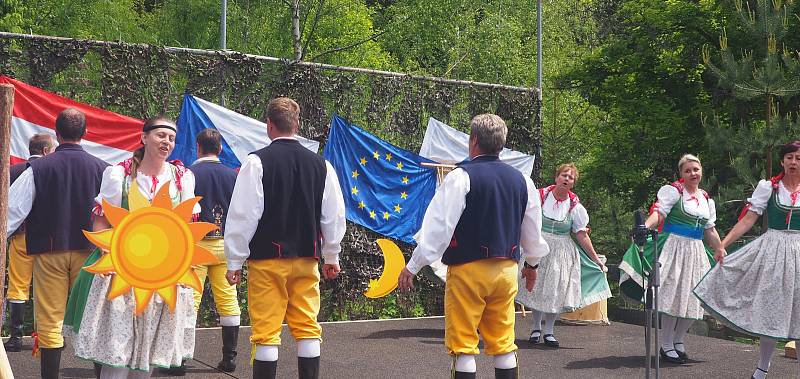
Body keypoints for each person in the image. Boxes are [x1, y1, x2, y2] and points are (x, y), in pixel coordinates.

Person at [398, 113, 550, 379]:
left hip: (468, 270)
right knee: (503, 343)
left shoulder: (460, 177)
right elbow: (533, 233)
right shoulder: (523, 181)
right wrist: (533, 265)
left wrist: (413, 266)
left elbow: (438, 230)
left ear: (474, 140)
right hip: (506, 271)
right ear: (501, 143)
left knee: (464, 346)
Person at [68, 116, 200, 378]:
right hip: (123, 270)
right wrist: (108, 254)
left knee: (149, 352)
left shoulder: (183, 177)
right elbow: (102, 220)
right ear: (144, 138)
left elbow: (184, 227)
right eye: (161, 135)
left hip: (163, 273)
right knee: (117, 352)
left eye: (171, 138)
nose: (167, 142)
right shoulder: (119, 174)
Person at [224, 97, 346, 379]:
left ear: (269, 125)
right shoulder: (322, 165)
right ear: (298, 124)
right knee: (307, 327)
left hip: (268, 260)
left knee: (266, 332)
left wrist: (234, 260)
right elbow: (333, 215)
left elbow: (243, 215)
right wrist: (332, 255)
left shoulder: (256, 162)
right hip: (306, 259)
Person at [5, 109, 108, 378]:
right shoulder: (104, 169)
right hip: (91, 252)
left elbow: (13, 211)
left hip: (50, 250)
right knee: (92, 316)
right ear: (85, 134)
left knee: (50, 320)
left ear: (57, 133)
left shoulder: (38, 168)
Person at [694, 141, 800, 379]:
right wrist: (722, 245)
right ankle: (762, 368)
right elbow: (748, 219)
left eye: (799, 158)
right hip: (774, 252)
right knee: (769, 310)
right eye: (790, 157)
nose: (794, 162)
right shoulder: (769, 188)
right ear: (783, 161)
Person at [619, 154, 724, 364]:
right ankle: (666, 344)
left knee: (693, 298)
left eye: (695, 169)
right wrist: (644, 227)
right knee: (673, 296)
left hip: (695, 251)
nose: (692, 173)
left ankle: (678, 340)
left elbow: (709, 229)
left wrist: (719, 248)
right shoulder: (674, 192)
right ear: (681, 174)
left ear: (701, 171)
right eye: (687, 170)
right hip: (674, 248)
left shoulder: (706, 198)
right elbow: (659, 213)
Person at [164, 129, 241, 375]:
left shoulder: (187, 175)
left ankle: (181, 360)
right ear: (220, 149)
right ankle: (229, 358)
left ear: (198, 147)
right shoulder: (233, 176)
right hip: (226, 246)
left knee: (189, 303)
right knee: (228, 302)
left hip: (195, 245)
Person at [515, 163, 611, 348]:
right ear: (556, 177)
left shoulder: (575, 207)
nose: (566, 179)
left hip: (562, 252)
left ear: (573, 183)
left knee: (555, 291)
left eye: (571, 177)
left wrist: (596, 260)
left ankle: (549, 331)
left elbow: (582, 235)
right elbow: (524, 219)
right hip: (539, 247)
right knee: (535, 288)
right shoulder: (540, 196)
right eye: (564, 175)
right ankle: (536, 328)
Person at [4, 133, 56, 353]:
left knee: (17, 285)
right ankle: (50, 336)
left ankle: (16, 337)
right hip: (48, 238)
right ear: (46, 151)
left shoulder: (12, 171)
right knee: (50, 286)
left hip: (21, 236)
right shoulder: (53, 171)